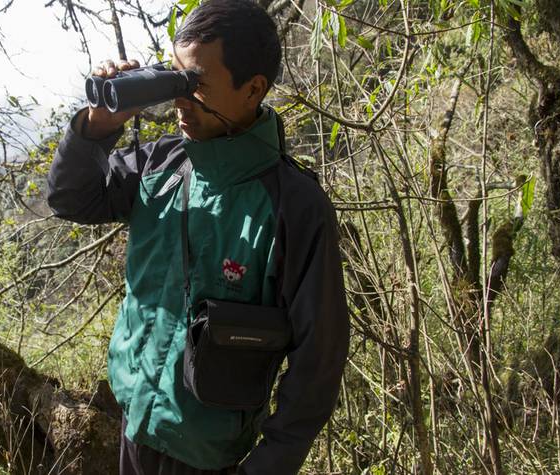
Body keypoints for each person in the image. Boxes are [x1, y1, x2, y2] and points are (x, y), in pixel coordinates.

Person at [46, 0, 349, 473]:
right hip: (134, 427)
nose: (180, 99)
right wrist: (98, 126)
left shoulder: (294, 207)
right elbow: (70, 199)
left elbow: (318, 366)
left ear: (253, 90)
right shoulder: (162, 165)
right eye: (175, 79)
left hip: (208, 458)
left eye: (197, 83)